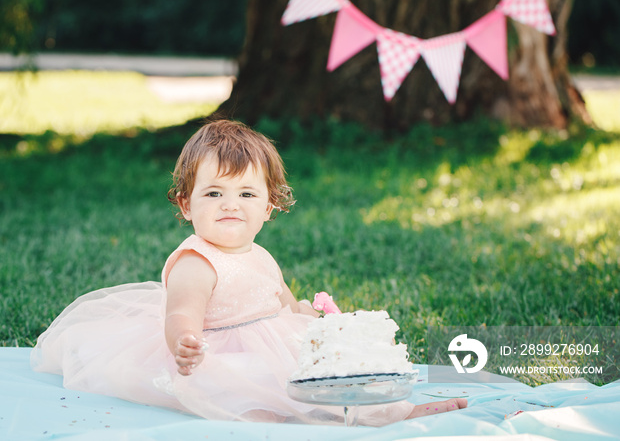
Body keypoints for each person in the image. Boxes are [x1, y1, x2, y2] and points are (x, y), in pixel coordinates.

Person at [31, 120, 466, 425]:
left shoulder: (260, 254)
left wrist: (310, 319)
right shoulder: (196, 262)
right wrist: (183, 344)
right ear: (186, 204)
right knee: (267, 393)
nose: (230, 204)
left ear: (269, 206)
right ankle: (355, 418)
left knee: (327, 372)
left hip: (272, 339)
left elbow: (282, 300)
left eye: (246, 193)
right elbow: (181, 314)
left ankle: (384, 409)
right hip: (220, 351)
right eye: (214, 192)